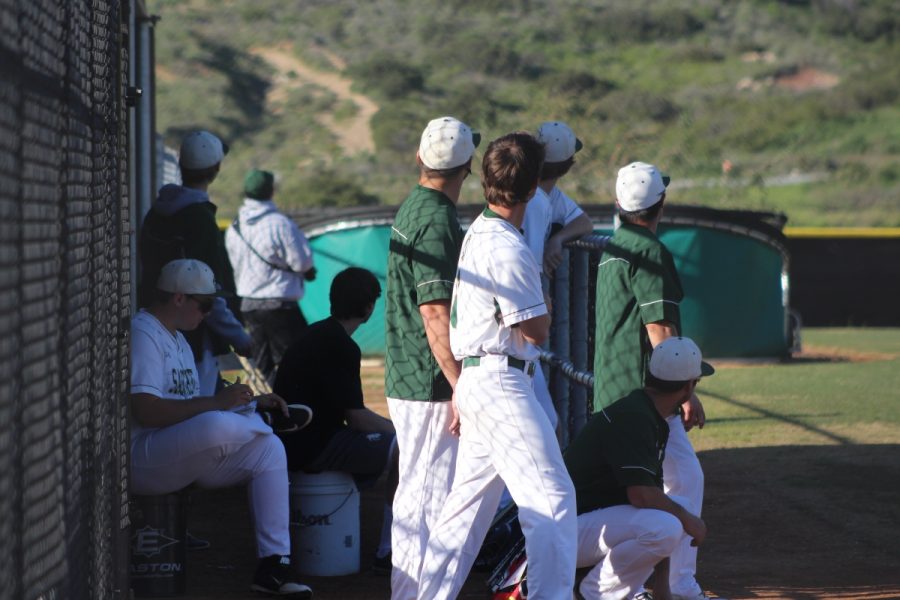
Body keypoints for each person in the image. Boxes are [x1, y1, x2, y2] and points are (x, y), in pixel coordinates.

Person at [418, 132, 577, 600]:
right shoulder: (508, 246)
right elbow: (537, 330)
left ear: (486, 179)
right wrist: (543, 301)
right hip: (500, 381)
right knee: (552, 501)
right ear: (533, 188)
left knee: (464, 512)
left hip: (482, 377)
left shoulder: (482, 230)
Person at [129, 258, 311, 598]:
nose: (209, 313)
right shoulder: (143, 332)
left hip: (179, 453)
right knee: (215, 423)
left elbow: (191, 407)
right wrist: (218, 404)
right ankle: (263, 423)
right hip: (144, 458)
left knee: (268, 450)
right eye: (205, 304)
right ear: (179, 297)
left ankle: (273, 565)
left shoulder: (180, 339)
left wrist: (244, 403)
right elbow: (147, 411)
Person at [593, 162, 718, 600]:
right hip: (645, 394)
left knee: (648, 491)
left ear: (618, 205)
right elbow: (660, 332)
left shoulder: (615, 245)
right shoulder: (647, 249)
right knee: (683, 479)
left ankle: (635, 586)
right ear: (661, 203)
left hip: (618, 389)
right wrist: (686, 392)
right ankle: (675, 585)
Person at [383, 116, 479, 600]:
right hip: (427, 380)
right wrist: (459, 383)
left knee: (419, 494)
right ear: (468, 167)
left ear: (420, 159)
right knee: (426, 499)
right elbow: (435, 311)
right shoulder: (438, 218)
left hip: (411, 373)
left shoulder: (416, 203)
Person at [566, 336, 713, 600]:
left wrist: (663, 588)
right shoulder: (635, 418)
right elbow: (641, 496)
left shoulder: (648, 413)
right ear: (689, 387)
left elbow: (654, 500)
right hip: (562, 533)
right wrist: (690, 521)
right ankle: (595, 593)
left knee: (675, 510)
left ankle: (618, 591)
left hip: (584, 526)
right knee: (668, 523)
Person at [273, 267, 397, 572]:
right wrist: (400, 430)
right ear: (369, 307)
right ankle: (390, 549)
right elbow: (357, 419)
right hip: (312, 447)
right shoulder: (341, 345)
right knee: (402, 447)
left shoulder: (313, 334)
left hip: (291, 442)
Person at [140, 130, 251, 395]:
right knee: (196, 406)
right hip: (194, 334)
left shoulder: (156, 213)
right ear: (215, 169)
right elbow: (207, 293)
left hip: (156, 324)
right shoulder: (199, 220)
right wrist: (237, 336)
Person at [520, 120, 595, 431]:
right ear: (568, 165)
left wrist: (557, 238)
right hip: (521, 315)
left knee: (544, 420)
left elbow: (584, 223)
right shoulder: (535, 199)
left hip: (519, 319)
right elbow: (529, 266)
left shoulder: (545, 196)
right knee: (544, 422)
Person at [225, 168, 316, 381]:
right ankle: (291, 409)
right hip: (280, 306)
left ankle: (268, 407)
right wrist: (307, 271)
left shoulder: (235, 225)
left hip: (249, 306)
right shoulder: (280, 224)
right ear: (271, 191)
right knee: (296, 362)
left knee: (262, 367)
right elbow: (302, 262)